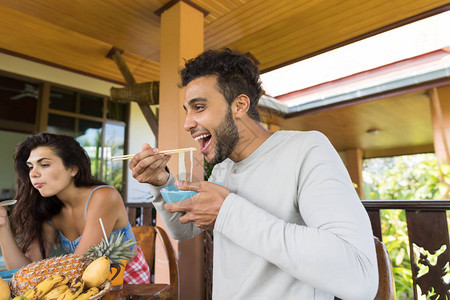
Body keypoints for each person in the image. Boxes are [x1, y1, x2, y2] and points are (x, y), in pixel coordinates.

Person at [129, 49, 378, 299]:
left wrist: (227, 211)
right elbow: (184, 229)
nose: (187, 123)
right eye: (187, 110)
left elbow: (359, 278)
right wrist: (161, 182)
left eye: (199, 107)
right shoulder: (223, 168)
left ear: (240, 105)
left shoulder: (307, 149)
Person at [0, 133, 150, 284]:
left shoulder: (103, 197)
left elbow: (79, 263)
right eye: (30, 167)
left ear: (72, 169)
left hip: (127, 284)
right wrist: (3, 226)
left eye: (44, 165)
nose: (33, 174)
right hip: (83, 284)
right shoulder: (50, 210)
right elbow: (23, 272)